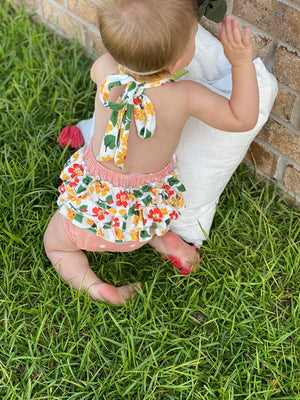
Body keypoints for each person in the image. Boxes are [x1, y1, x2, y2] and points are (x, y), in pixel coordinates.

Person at [44, 0, 259, 304]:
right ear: (180, 59)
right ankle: (160, 237)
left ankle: (97, 287)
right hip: (146, 215)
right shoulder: (184, 96)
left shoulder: (106, 69)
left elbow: (105, 71)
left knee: (55, 244)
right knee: (139, 207)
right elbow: (243, 117)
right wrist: (240, 62)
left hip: (90, 214)